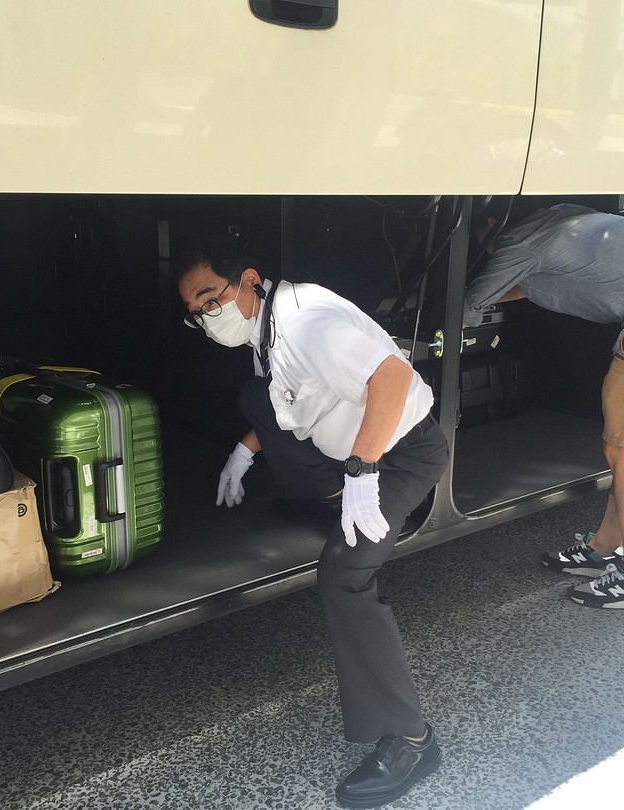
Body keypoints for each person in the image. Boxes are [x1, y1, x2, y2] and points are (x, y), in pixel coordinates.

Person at [176, 235, 450, 807]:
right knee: (254, 397)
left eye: (210, 298)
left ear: (249, 279)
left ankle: (412, 739)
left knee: (344, 576)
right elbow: (280, 400)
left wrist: (361, 473)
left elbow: (393, 379)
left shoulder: (306, 324)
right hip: (357, 453)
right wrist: (244, 451)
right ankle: (328, 491)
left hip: (400, 452)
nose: (206, 317)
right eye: (195, 313)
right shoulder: (263, 327)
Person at [464, 204, 624, 611]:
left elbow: (468, 308)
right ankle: (603, 548)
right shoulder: (553, 217)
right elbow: (528, 283)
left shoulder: (519, 244)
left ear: (489, 224)